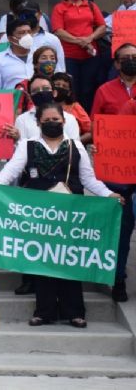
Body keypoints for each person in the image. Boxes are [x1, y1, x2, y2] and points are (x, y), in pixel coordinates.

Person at [0, 102, 124, 328]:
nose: (52, 123)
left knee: (70, 259)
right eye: (47, 120)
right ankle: (44, 312)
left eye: (56, 120)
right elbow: (9, 173)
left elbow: (89, 180)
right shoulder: (27, 145)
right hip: (39, 216)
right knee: (43, 261)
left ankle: (74, 311)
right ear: (38, 123)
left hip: (70, 215)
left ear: (64, 121)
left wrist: (108, 194)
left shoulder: (76, 146)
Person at [89, 42, 136, 302]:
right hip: (118, 170)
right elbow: (98, 125)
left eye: (134, 57)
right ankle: (118, 279)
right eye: (125, 58)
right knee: (122, 227)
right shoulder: (104, 91)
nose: (131, 61)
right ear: (116, 63)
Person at [52, 0, 107, 112]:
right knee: (72, 89)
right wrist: (80, 41)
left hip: (90, 56)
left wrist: (90, 38)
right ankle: (74, 119)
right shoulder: (60, 8)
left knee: (89, 89)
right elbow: (58, 31)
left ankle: (87, 119)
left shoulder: (91, 6)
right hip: (69, 56)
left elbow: (102, 27)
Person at [12, 75, 80, 142]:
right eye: (35, 90)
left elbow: (75, 148)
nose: (41, 92)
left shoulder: (69, 119)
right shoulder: (22, 120)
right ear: (30, 97)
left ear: (54, 93)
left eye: (46, 88)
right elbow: (21, 148)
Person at [0, 18, 34, 90]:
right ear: (11, 38)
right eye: (22, 33)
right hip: (12, 100)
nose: (27, 36)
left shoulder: (39, 55)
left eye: (29, 32)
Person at [22, 2, 66, 73]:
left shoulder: (52, 39)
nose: (28, 16)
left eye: (31, 13)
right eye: (24, 14)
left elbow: (60, 67)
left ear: (40, 14)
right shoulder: (12, 38)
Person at [52, 72, 91, 143]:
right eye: (57, 85)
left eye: (64, 86)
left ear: (69, 92)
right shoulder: (43, 106)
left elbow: (90, 132)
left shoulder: (75, 107)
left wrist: (75, 142)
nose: (60, 87)